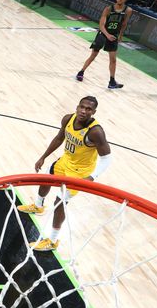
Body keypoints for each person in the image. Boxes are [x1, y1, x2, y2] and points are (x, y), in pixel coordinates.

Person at [17, 96, 112, 251]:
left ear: (94, 112)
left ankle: (52, 241)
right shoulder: (68, 119)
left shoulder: (96, 132)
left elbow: (107, 158)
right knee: (46, 179)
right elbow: (59, 138)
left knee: (59, 202)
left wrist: (91, 177)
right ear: (77, 107)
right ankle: (38, 206)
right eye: (82, 107)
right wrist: (43, 157)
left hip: (80, 171)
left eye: (88, 109)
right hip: (65, 161)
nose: (83, 111)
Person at [75, 0, 132, 89]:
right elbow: (101, 25)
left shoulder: (128, 10)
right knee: (93, 55)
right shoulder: (108, 9)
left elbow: (124, 24)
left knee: (113, 60)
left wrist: (120, 35)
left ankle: (112, 81)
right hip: (103, 34)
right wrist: (107, 35)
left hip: (113, 36)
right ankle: (81, 72)